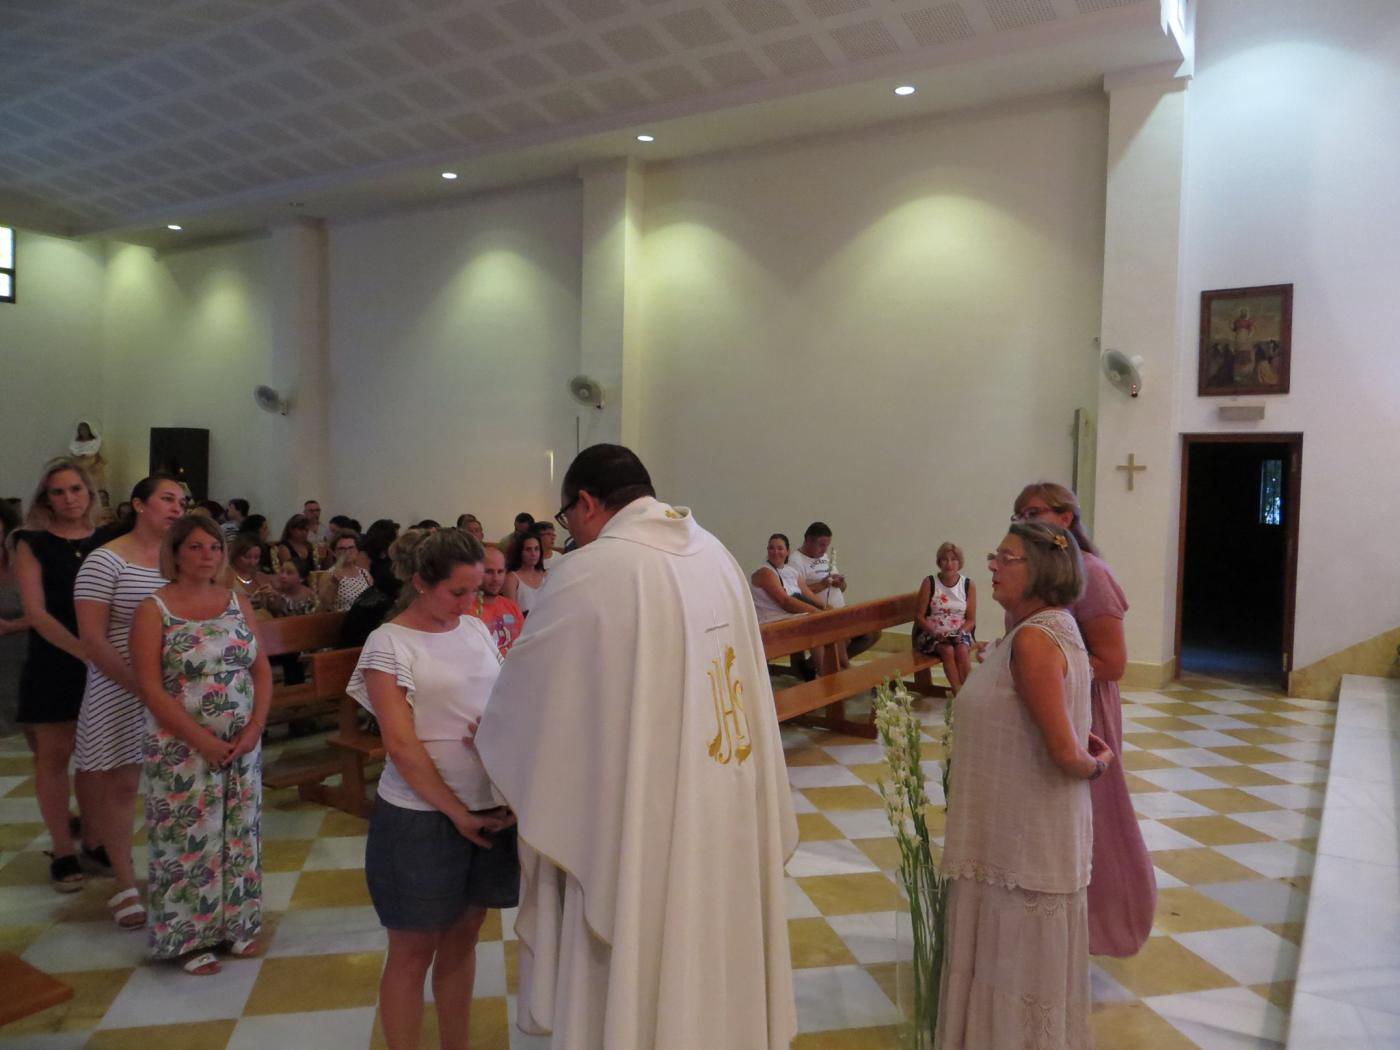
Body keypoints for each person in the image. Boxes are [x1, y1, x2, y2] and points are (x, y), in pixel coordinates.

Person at [476, 444, 797, 1050]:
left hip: (641, 823)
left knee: (633, 959)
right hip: (725, 800)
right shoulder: (718, 555)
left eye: (567, 518)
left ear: (587, 502)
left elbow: (527, 707)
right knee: (715, 941)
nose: (570, 534)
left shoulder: (593, 571)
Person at [937, 522, 1113, 1048]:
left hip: (1021, 845)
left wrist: (1096, 765)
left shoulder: (1036, 639)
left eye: (1006, 558)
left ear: (1039, 569)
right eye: (994, 555)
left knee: (1013, 971)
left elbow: (1066, 753)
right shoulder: (1049, 628)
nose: (992, 565)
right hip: (1017, 835)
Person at [346, 529, 517, 1050]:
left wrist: (503, 743)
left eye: (476, 591)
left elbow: (500, 701)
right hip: (420, 817)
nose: (469, 603)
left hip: (489, 808)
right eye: (457, 592)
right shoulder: (389, 643)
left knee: (463, 941)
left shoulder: (475, 628)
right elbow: (401, 744)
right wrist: (457, 813)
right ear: (421, 582)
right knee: (413, 950)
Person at [1011, 482, 1155, 958]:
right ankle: (1039, 922)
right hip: (1039, 704)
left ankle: (1099, 925)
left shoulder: (1092, 572)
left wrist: (1047, 666)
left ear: (1065, 519)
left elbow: (1112, 663)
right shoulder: (1032, 572)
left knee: (1091, 817)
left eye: (1033, 512)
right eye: (1018, 514)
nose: (1024, 522)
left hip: (1083, 708)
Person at [130, 516, 271, 975]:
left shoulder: (236, 601)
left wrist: (255, 727)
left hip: (241, 742)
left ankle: (237, 922)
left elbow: (260, 668)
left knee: (239, 832)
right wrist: (201, 740)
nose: (207, 555)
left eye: (214, 546)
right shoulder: (154, 608)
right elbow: (151, 687)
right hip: (181, 746)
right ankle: (189, 937)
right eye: (195, 546)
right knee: (189, 838)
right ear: (174, 553)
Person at [74, 474, 183, 929]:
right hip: (118, 686)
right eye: (167, 499)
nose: (177, 508)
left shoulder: (178, 559)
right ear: (139, 504)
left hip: (173, 688)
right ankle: (123, 882)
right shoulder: (106, 560)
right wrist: (143, 688)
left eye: (182, 502)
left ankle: (175, 873)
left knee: (173, 786)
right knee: (120, 786)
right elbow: (93, 639)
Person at [10, 460, 100, 891]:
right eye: (58, 492)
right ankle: (63, 850)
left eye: (75, 489)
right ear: (46, 499)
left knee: (98, 758)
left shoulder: (106, 539)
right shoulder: (30, 542)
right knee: (54, 757)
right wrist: (84, 652)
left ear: (89, 492)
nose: (68, 499)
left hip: (103, 660)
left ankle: (96, 839)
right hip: (54, 658)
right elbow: (36, 612)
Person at [785, 521, 877, 669]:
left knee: (872, 632)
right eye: (821, 545)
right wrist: (822, 584)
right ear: (808, 541)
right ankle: (835, 666)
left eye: (827, 545)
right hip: (820, 615)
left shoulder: (824, 556)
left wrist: (840, 583)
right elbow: (796, 593)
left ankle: (815, 665)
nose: (825, 549)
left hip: (839, 610)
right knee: (842, 639)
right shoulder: (796, 561)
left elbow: (842, 588)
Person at [913, 541, 977, 693]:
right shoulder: (929, 582)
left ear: (959, 562)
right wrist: (934, 632)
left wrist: (961, 632)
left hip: (958, 631)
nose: (949, 564)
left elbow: (971, 620)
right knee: (947, 650)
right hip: (932, 633)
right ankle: (957, 691)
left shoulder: (968, 585)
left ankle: (969, 691)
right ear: (939, 562)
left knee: (962, 650)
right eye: (945, 559)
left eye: (953, 559)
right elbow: (919, 617)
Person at [471, 547, 523, 657]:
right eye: (489, 572)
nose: (496, 578)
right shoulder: (464, 611)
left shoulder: (512, 607)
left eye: (500, 571)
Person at [319, 530, 374, 612]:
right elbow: (324, 605)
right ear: (334, 552)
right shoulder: (329, 574)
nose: (347, 552)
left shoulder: (364, 573)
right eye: (342, 549)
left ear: (357, 550)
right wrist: (334, 584)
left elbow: (372, 598)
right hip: (342, 617)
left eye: (351, 548)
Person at [222, 533, 274, 613]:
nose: (252, 562)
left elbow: (274, 608)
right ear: (236, 555)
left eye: (256, 558)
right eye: (247, 557)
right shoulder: (225, 575)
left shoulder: (261, 576)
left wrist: (273, 598)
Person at [503, 532, 546, 617]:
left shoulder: (546, 575)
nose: (533, 554)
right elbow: (509, 613)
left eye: (536, 549)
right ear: (520, 552)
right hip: (522, 622)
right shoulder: (512, 578)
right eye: (528, 549)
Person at [276, 514, 320, 581]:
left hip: (312, 580)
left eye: (306, 530)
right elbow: (289, 570)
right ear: (291, 530)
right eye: (300, 529)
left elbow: (317, 567)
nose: (304, 533)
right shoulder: (284, 547)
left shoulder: (309, 546)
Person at [68, 419, 107, 494]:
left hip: (93, 473)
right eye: (81, 429)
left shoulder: (96, 443)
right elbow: (71, 459)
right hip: (78, 473)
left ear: (90, 430)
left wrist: (94, 467)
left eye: (85, 429)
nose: (83, 431)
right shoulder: (74, 444)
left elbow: (102, 459)